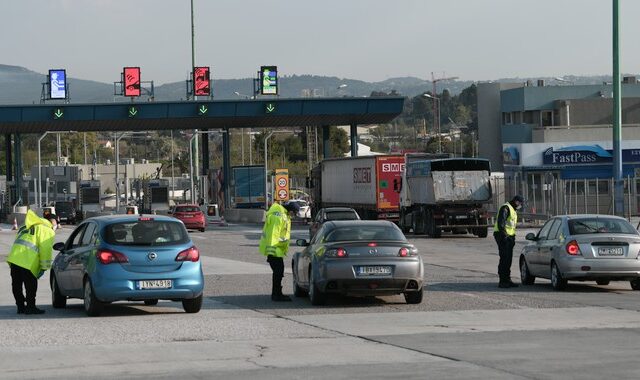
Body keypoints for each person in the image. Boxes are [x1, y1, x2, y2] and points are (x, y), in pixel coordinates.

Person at [7, 210, 57, 314]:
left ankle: (20, 307)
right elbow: (45, 249)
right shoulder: (47, 230)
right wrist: (44, 267)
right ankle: (30, 307)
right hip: (28, 261)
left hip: (14, 258)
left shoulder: (25, 226)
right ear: (52, 222)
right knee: (31, 286)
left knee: (16, 284)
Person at [259, 201, 300, 302]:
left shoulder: (283, 214)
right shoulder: (279, 216)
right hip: (274, 250)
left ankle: (277, 293)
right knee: (278, 272)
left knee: (279, 272)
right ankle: (276, 295)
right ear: (290, 210)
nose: (293, 215)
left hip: (277, 250)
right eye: (294, 213)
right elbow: (274, 233)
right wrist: (272, 251)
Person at [493, 195, 524, 288]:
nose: (520, 205)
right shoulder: (506, 208)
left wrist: (512, 237)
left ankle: (507, 279)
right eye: (520, 203)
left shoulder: (513, 209)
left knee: (508, 259)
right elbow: (501, 223)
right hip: (502, 236)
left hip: (509, 237)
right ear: (516, 201)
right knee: (504, 259)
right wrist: (505, 236)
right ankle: (502, 281)